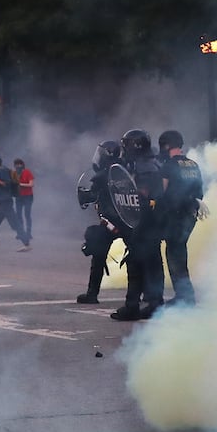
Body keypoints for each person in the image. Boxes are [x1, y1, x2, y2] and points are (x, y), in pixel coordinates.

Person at [111, 129, 166, 322]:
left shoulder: (144, 168)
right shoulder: (154, 164)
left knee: (135, 265)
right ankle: (155, 304)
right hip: (154, 224)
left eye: (127, 144)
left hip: (145, 224)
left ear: (135, 145)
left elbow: (140, 197)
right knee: (153, 265)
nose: (124, 148)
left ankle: (132, 306)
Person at [158, 130, 203, 307]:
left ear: (167, 146)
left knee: (174, 254)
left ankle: (185, 296)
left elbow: (161, 192)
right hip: (190, 215)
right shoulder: (193, 164)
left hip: (174, 216)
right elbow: (200, 191)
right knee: (180, 251)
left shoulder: (168, 166)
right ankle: (185, 295)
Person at [76, 139, 123, 305]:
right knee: (139, 257)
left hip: (110, 222)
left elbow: (92, 195)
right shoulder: (125, 170)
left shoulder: (102, 176)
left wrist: (84, 195)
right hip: (128, 222)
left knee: (97, 254)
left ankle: (92, 294)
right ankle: (147, 295)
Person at [0, 154, 30, 251]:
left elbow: (7, 184)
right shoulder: (0, 170)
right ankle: (26, 243)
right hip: (4, 201)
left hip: (5, 202)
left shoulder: (1, 170)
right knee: (13, 223)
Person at [13, 158, 35, 241]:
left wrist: (20, 184)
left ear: (22, 165)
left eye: (20, 164)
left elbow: (31, 184)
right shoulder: (14, 174)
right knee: (19, 215)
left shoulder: (27, 172)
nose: (18, 166)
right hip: (19, 197)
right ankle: (21, 233)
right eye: (16, 164)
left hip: (28, 196)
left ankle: (28, 233)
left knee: (27, 214)